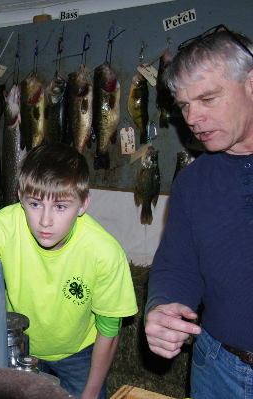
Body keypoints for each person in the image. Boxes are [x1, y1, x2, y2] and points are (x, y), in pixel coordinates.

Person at [0, 143, 137, 399]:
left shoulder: (105, 253)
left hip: (78, 353)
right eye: (35, 204)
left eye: (60, 207)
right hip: (14, 344)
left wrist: (91, 392)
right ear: (20, 196)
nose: (45, 220)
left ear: (83, 205)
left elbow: (109, 331)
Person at [144, 25, 253, 398]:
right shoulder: (191, 183)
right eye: (185, 105)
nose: (191, 118)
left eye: (208, 99)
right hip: (218, 366)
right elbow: (177, 265)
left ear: (251, 83)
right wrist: (163, 306)